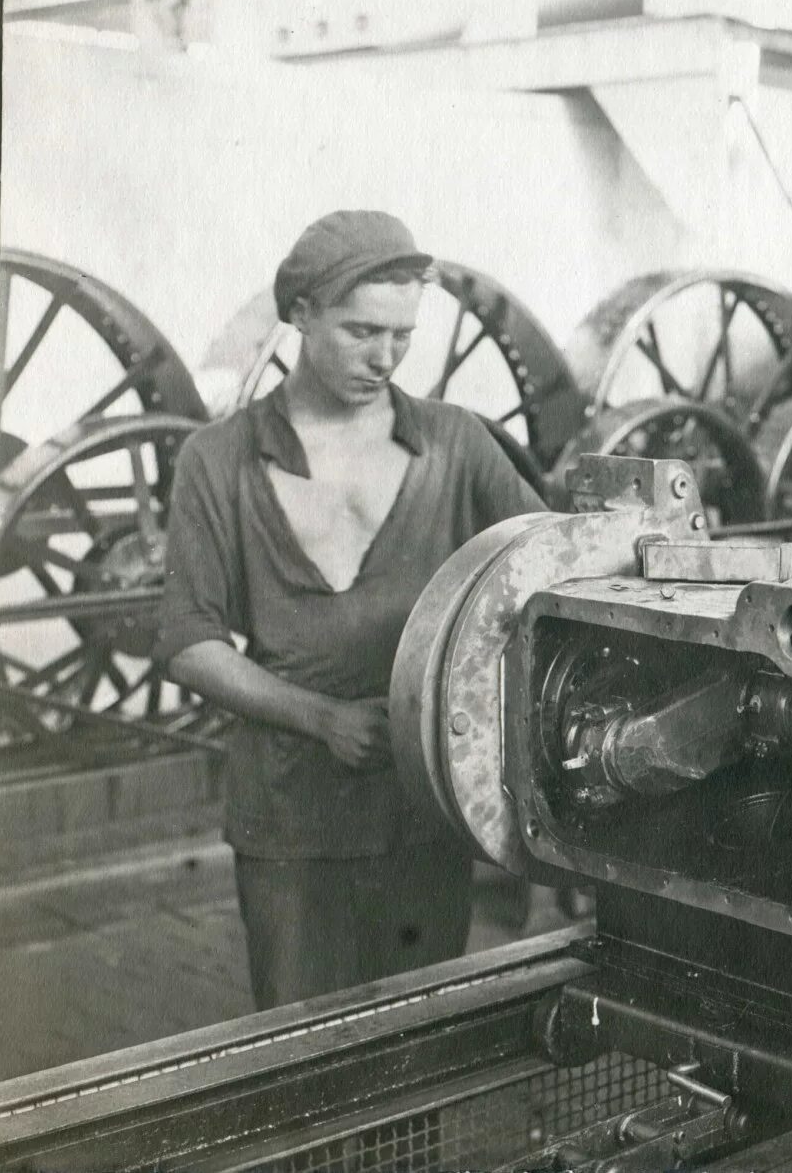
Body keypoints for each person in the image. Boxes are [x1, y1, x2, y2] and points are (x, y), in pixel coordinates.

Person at [156, 211, 548, 1009]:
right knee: (302, 1048)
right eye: (361, 331)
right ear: (300, 314)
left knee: (412, 1045)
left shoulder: (457, 442)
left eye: (403, 335)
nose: (386, 358)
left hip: (427, 803)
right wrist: (323, 719)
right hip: (291, 815)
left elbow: (545, 574)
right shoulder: (219, 460)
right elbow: (189, 640)